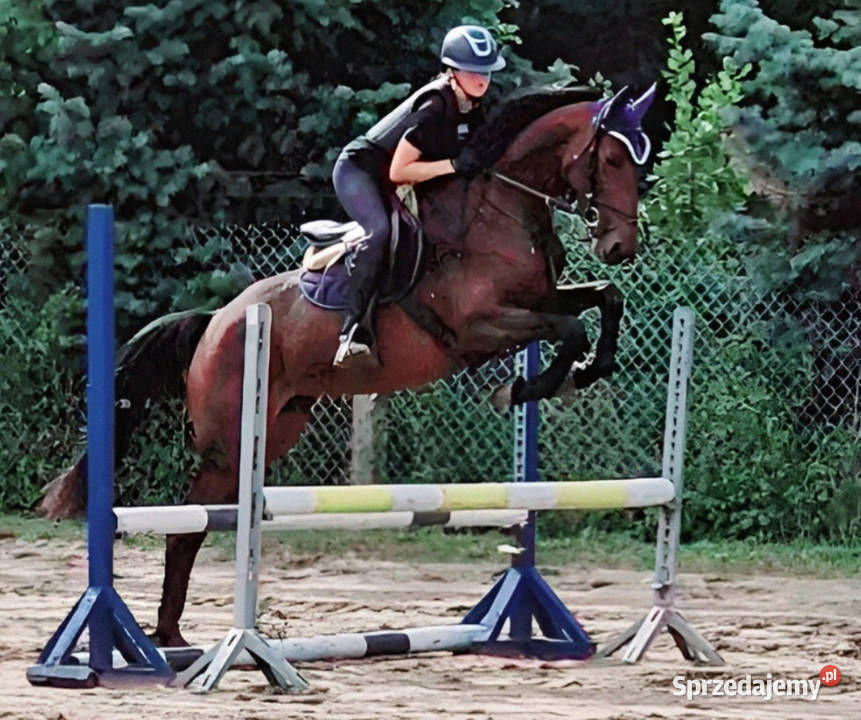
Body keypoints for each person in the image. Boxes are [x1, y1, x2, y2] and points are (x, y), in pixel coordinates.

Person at [332, 24, 506, 367]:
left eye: (486, 71)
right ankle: (350, 332)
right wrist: (455, 165)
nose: (482, 79)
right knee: (379, 231)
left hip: (403, 178)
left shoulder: (474, 107)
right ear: (453, 71)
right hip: (362, 170)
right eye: (473, 71)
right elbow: (398, 171)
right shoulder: (435, 104)